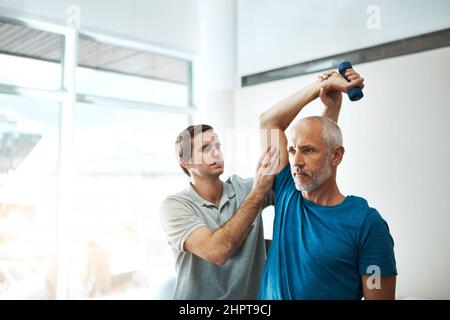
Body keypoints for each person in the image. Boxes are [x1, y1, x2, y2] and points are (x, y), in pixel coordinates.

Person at [258, 69, 397, 300]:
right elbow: (269, 121)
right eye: (292, 150)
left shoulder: (367, 224)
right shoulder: (287, 193)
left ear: (337, 156)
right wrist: (320, 88)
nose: (296, 161)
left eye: (308, 150)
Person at [159, 124, 278, 299]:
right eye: (205, 148)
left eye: (218, 146)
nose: (216, 153)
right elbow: (218, 251)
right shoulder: (174, 206)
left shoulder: (246, 189)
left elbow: (296, 187)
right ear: (186, 162)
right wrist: (258, 193)